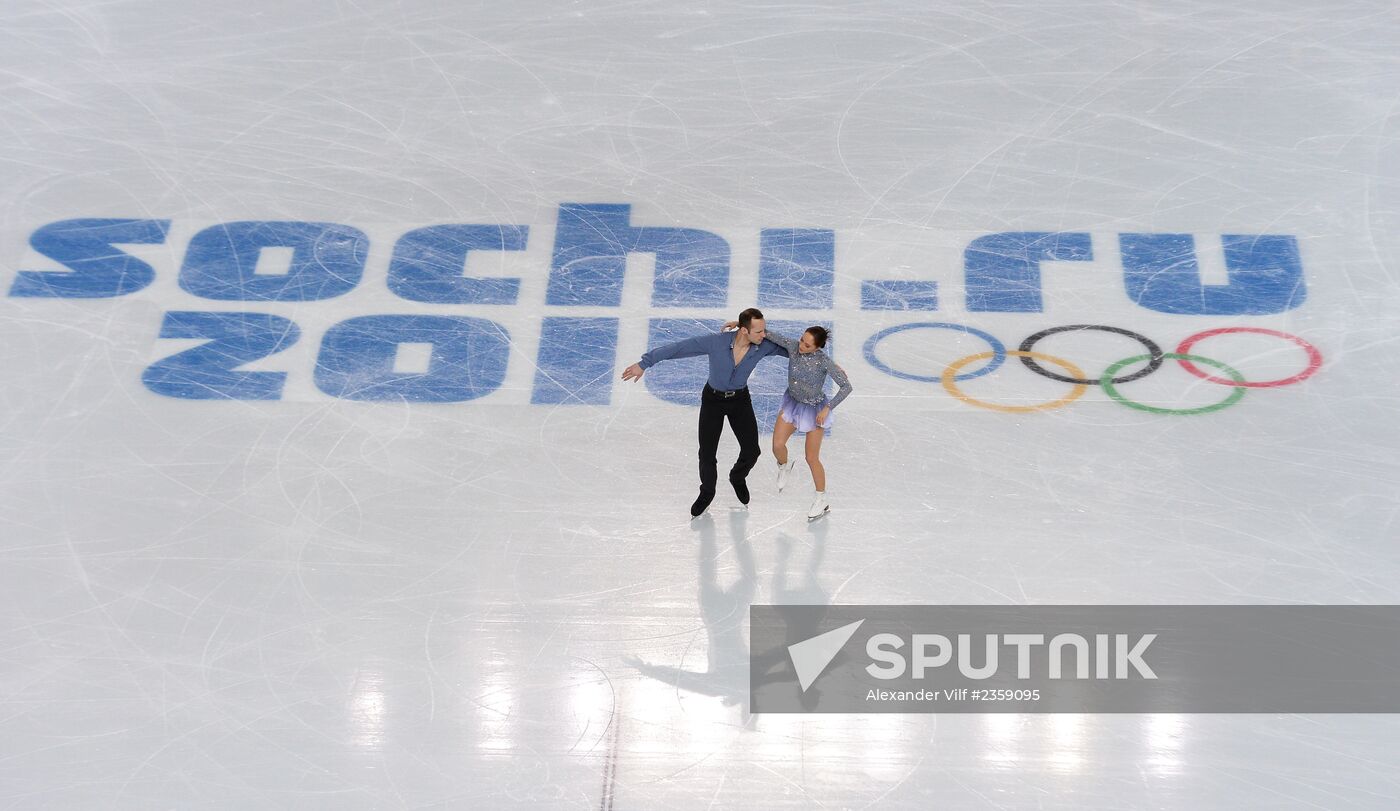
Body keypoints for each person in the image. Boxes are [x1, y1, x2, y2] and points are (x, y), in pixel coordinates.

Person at [622, 308, 788, 518]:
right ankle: (707, 492)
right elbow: (680, 348)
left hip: (739, 400)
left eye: (765, 331)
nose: (765, 335)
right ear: (744, 330)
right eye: (760, 332)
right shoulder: (716, 342)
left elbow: (795, 350)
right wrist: (644, 363)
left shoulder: (763, 346)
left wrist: (825, 364)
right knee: (707, 453)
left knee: (752, 451)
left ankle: (737, 477)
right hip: (713, 400)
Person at [726, 322, 852, 520]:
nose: (801, 346)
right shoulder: (793, 347)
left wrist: (828, 408)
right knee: (777, 445)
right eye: (802, 340)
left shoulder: (824, 362)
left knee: (811, 458)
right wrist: (741, 324)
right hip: (793, 404)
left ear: (818, 347)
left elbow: (846, 387)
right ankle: (784, 465)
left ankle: (821, 499)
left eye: (807, 345)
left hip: (814, 410)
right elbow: (767, 333)